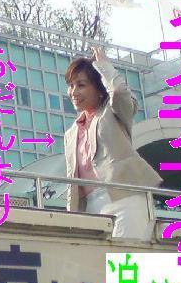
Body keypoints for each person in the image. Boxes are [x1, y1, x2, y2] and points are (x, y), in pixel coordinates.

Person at [64, 46, 162, 239]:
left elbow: (118, 91)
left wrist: (104, 66)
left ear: (99, 89)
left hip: (125, 199)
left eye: (81, 85)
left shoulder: (113, 112)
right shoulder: (71, 134)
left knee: (122, 255)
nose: (73, 92)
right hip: (90, 208)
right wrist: (71, 218)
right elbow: (72, 181)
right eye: (71, 85)